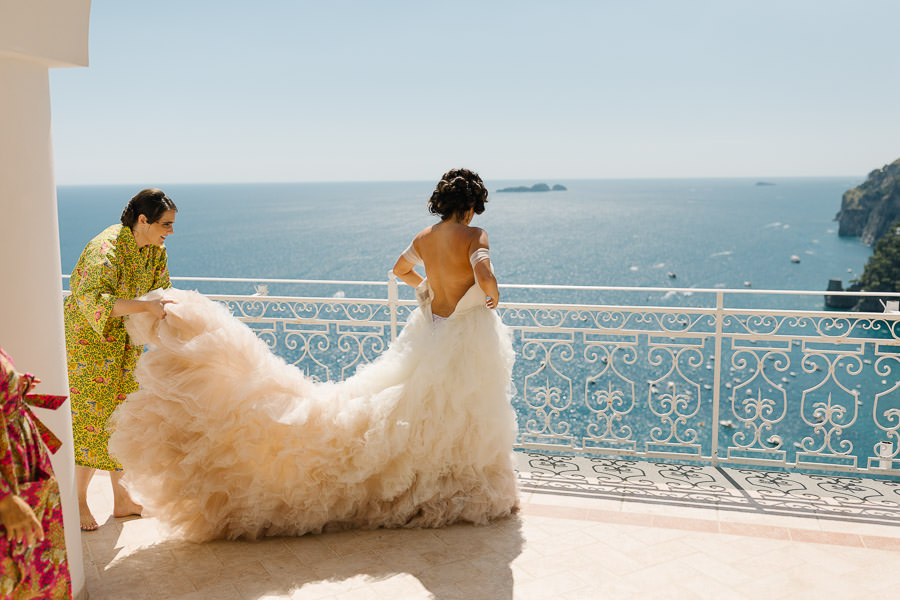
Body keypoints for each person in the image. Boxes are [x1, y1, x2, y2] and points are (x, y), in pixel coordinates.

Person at [107, 168, 519, 542]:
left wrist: (426, 285)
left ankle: (427, 477)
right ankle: (450, 480)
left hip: (431, 326)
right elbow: (486, 277)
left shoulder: (425, 238)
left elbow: (400, 269)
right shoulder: (474, 236)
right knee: (464, 408)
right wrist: (490, 299)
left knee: (417, 402)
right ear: (470, 206)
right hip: (464, 331)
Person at [64, 188, 177, 531]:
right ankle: (78, 500)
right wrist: (145, 307)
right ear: (143, 220)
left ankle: (123, 500)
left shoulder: (156, 250)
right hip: (89, 346)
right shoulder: (106, 249)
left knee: (122, 419)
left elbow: (162, 291)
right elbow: (95, 302)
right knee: (90, 423)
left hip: (125, 344)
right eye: (166, 224)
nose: (170, 232)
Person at [0, 347, 71, 598]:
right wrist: (5, 498)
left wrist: (10, 382)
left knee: (35, 575)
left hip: (22, 475)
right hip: (9, 488)